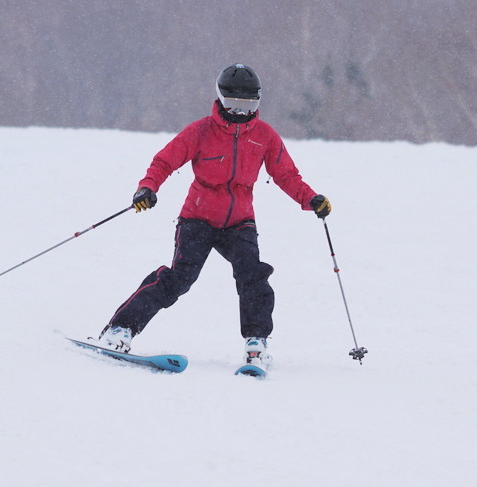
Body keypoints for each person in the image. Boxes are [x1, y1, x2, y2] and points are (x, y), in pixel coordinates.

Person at [96, 63, 331, 371]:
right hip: (198, 218)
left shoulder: (265, 136)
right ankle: (121, 328)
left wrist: (310, 199)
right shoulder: (201, 131)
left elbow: (286, 174)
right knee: (179, 279)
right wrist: (147, 188)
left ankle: (256, 343)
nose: (241, 111)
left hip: (240, 222)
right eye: (234, 103)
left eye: (249, 104)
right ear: (221, 99)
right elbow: (164, 161)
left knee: (253, 276)